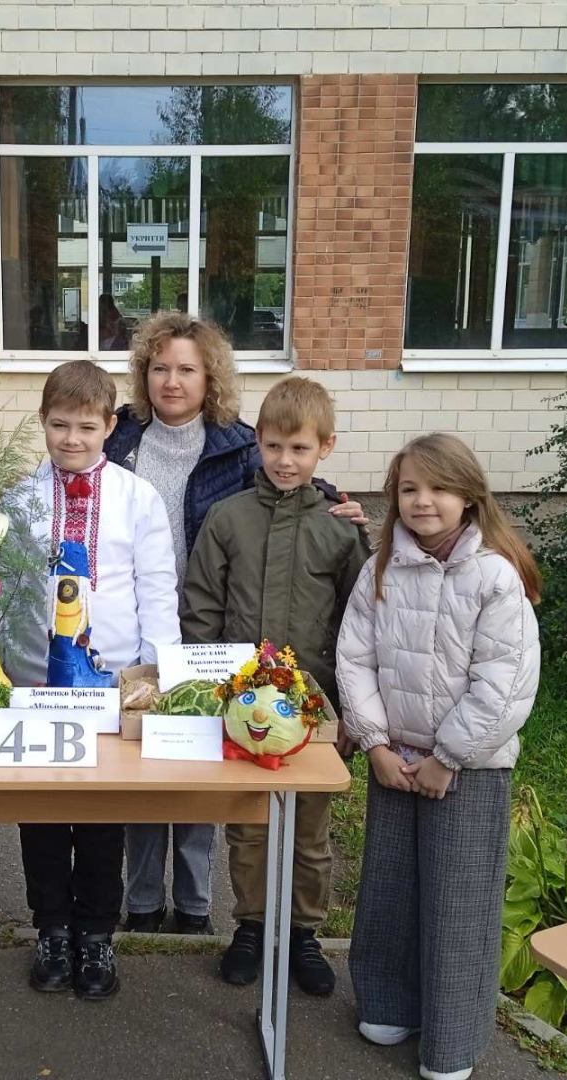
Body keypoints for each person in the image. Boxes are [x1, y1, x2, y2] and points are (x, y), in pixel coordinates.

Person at [105, 312, 366, 935]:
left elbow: (289, 481)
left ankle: (198, 907)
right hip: (145, 625)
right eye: (159, 368)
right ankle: (144, 903)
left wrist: (338, 507)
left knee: (205, 773)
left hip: (217, 641)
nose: (172, 381)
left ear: (210, 377)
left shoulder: (238, 443)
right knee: (148, 767)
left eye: (187, 369)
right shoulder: (119, 438)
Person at [336, 432, 542, 1080]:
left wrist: (448, 757)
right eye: (409, 489)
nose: (423, 501)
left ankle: (452, 1040)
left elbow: (504, 682)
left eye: (439, 488)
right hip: (395, 761)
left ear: (469, 496)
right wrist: (373, 742)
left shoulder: (494, 577)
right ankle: (389, 1004)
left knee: (458, 901)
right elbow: (355, 657)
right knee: (390, 888)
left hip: (468, 768)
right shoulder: (381, 568)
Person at [180, 376, 370, 996]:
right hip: (243, 709)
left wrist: (347, 712)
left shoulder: (341, 529)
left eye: (300, 449)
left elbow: (359, 625)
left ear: (325, 447)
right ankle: (253, 926)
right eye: (274, 447)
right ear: (257, 442)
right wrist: (210, 693)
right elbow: (202, 609)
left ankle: (304, 933)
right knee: (250, 827)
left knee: (310, 831)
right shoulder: (228, 517)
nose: (285, 461)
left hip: (314, 709)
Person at [1, 359, 180, 999]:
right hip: (35, 685)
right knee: (42, 815)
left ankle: (98, 933)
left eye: (85, 426)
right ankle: (51, 928)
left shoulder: (138, 498)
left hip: (111, 687)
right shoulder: (19, 501)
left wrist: (155, 679)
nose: (71, 439)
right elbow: (2, 593)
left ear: (109, 425)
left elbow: (157, 590)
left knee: (104, 816)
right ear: (42, 423)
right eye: (59, 425)